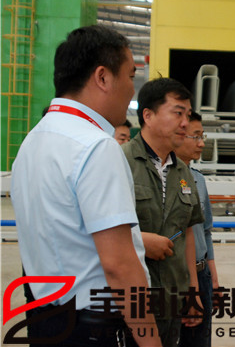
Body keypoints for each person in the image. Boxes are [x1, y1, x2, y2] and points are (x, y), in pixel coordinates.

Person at [11, 25, 161, 346]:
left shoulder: (33, 141)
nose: (132, 90)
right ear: (103, 77)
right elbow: (119, 267)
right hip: (92, 327)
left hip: (45, 316)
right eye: (130, 76)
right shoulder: (96, 147)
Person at [122, 78, 205, 347]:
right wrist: (139, 241)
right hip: (130, 301)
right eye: (177, 113)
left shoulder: (183, 171)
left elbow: (188, 232)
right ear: (148, 115)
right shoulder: (120, 161)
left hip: (172, 300)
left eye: (187, 115)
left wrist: (192, 292)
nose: (185, 123)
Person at [174, 111, 220, 347]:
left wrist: (213, 279)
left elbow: (206, 232)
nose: (201, 144)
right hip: (176, 276)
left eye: (203, 137)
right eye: (196, 136)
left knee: (200, 340)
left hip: (202, 275)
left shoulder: (198, 180)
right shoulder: (164, 180)